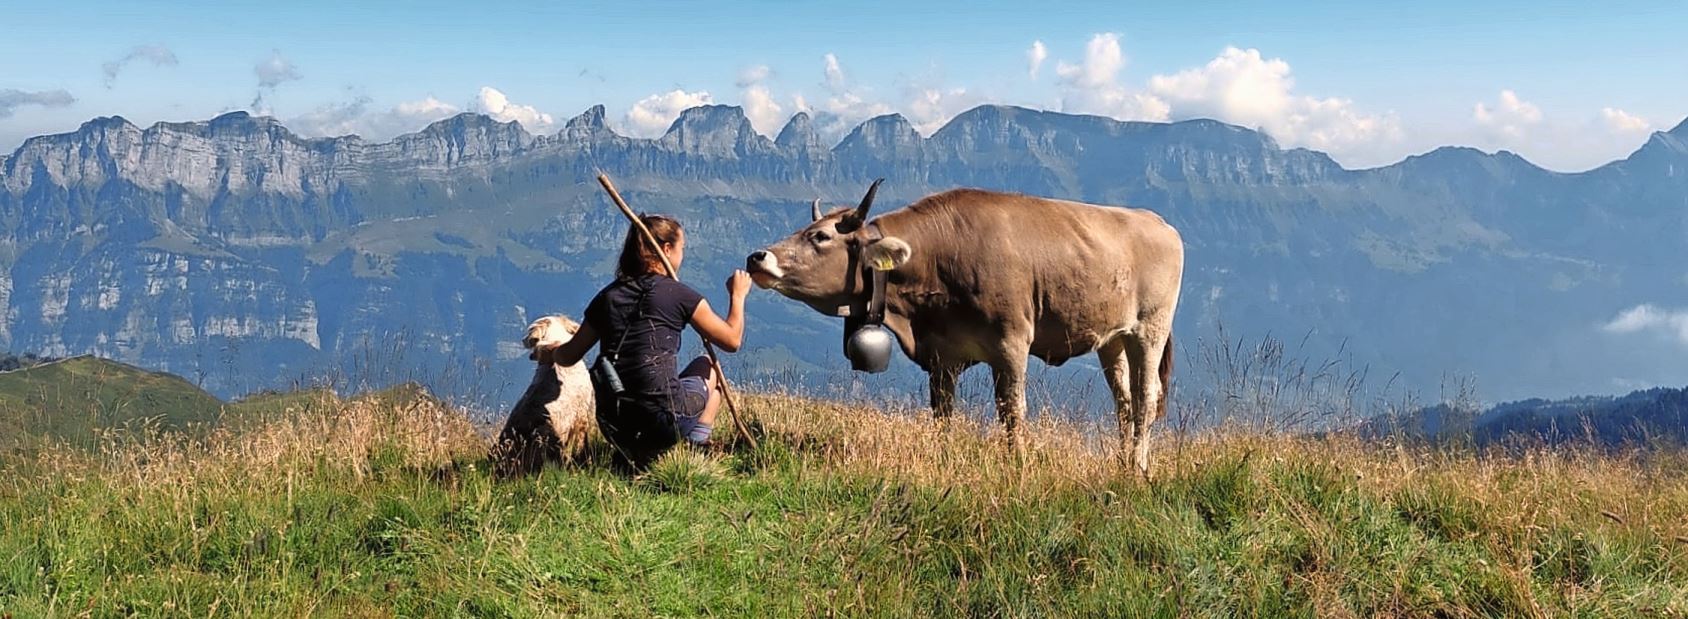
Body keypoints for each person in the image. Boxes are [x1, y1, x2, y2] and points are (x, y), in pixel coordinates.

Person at [538, 214, 751, 469]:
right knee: (707, 366)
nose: (682, 256)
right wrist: (737, 295)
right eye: (682, 248)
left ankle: (635, 453)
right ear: (667, 250)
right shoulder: (679, 294)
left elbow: (569, 356)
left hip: (614, 424)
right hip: (665, 421)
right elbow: (732, 340)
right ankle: (696, 449)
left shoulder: (607, 297)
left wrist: (551, 353)